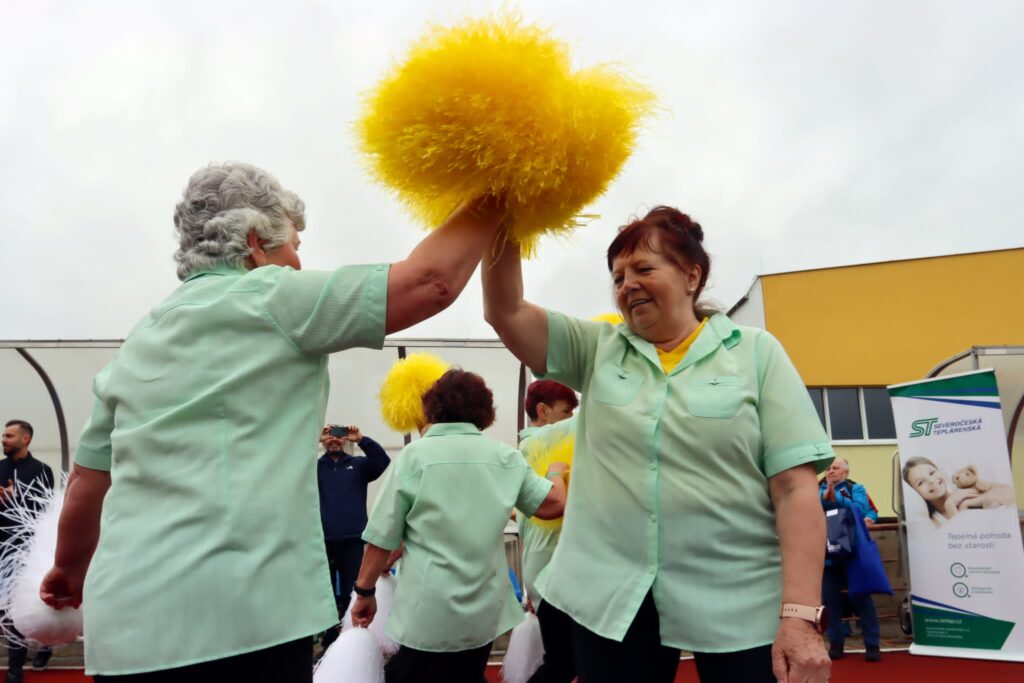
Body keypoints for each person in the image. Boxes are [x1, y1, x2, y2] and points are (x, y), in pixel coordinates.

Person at [38, 162, 508, 682]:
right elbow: (432, 281)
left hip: (126, 626)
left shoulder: (138, 343)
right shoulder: (275, 297)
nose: (298, 262)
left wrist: (67, 570)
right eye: (294, 244)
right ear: (256, 244)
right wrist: (505, 181)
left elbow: (87, 482)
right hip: (248, 617)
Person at [481, 206, 834, 683]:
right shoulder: (598, 348)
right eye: (618, 276)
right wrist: (501, 211)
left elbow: (794, 488)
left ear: (692, 276)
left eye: (644, 269)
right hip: (611, 597)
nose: (627, 284)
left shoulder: (755, 352)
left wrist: (800, 616)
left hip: (739, 593)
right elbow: (505, 311)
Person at [350, 369, 568, 683]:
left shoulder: (414, 457)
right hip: (484, 611)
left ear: (432, 407)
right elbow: (553, 504)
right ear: (485, 410)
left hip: (427, 611)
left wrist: (364, 591)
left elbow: (382, 535)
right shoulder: (505, 457)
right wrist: (556, 471)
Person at [517, 381, 577, 683]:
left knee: (565, 661)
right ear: (543, 411)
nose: (571, 418)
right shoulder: (541, 445)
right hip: (552, 569)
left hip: (543, 566)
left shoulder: (523, 451)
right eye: (566, 411)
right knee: (564, 663)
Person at [317, 423, 389, 647]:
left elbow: (382, 461)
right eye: (329, 436)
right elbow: (292, 465)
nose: (334, 439)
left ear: (345, 439)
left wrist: (360, 439)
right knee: (326, 593)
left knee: (353, 591)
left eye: (339, 436)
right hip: (323, 542)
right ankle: (329, 639)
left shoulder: (358, 465)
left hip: (353, 541)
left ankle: (350, 639)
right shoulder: (313, 468)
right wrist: (313, 440)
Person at [1, 420, 55, 682]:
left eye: (9, 436)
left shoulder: (42, 470)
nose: (4, 439)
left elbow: (46, 508)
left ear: (26, 439)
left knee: (27, 604)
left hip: (30, 549)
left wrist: (18, 496)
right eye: (3, 435)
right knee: (10, 608)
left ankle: (35, 653)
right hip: (3, 547)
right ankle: (17, 666)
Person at [819, 458, 881, 662]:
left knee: (862, 599)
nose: (831, 471)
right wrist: (825, 498)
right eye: (828, 468)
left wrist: (836, 498)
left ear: (846, 472)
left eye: (835, 468)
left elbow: (861, 510)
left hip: (853, 553)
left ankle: (872, 644)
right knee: (830, 601)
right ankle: (836, 644)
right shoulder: (816, 489)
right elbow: (810, 509)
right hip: (827, 555)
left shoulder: (856, 488)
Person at [901, 456, 978, 527]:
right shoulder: (935, 524)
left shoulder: (968, 491)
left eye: (932, 473)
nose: (931, 481)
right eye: (920, 483)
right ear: (916, 493)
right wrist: (950, 506)